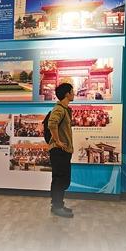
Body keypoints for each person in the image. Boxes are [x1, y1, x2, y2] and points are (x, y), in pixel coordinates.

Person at [48, 82, 75, 218]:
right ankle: (57, 207)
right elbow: (52, 123)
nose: (74, 93)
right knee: (60, 179)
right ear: (67, 94)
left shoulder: (65, 109)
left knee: (62, 179)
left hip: (64, 150)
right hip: (59, 151)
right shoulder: (59, 109)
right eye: (72, 91)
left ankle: (58, 204)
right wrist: (57, 141)